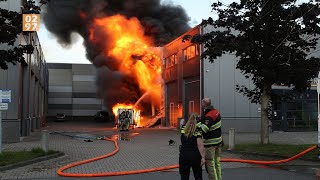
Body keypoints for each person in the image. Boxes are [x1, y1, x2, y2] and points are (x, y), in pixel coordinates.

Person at [197, 98, 223, 180]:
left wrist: (198, 124)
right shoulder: (216, 112)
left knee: (211, 165)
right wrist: (201, 119)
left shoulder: (209, 115)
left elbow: (204, 129)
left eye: (202, 103)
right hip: (218, 142)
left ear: (204, 104)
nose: (201, 104)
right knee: (217, 163)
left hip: (210, 144)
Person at [179, 113, 205, 180]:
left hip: (183, 155)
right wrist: (203, 157)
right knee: (197, 175)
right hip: (195, 156)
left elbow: (181, 126)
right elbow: (200, 144)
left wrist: (181, 123)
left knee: (184, 176)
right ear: (197, 120)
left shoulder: (183, 128)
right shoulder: (198, 130)